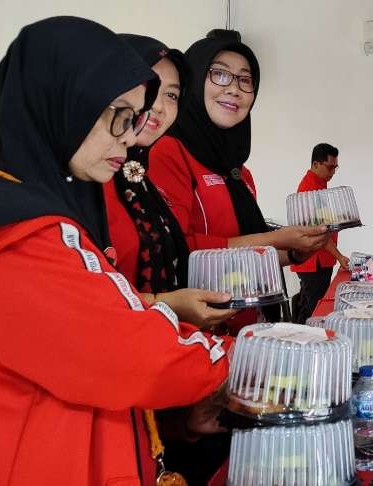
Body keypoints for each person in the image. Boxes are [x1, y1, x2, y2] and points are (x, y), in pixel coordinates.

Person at [0, 17, 228, 485]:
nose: (130, 135)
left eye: (136, 117)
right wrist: (251, 359)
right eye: (119, 114)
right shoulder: (15, 233)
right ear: (64, 98)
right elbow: (127, 353)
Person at [106, 33, 237, 485]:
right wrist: (169, 304)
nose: (157, 108)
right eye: (147, 92)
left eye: (173, 95)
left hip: (164, 375)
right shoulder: (88, 182)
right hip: (115, 384)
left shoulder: (137, 175)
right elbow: (98, 306)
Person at [149, 30, 328, 296]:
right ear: (194, 82)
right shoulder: (167, 153)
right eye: (219, 74)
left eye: (245, 79)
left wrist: (295, 252)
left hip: (246, 323)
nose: (234, 89)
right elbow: (173, 248)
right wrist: (274, 238)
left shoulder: (239, 173)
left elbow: (245, 253)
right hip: (196, 325)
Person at [290, 142, 350, 323]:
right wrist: (340, 257)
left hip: (320, 259)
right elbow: (319, 235)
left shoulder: (319, 185)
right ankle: (303, 344)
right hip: (313, 260)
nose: (332, 172)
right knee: (313, 310)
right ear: (316, 164)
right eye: (330, 167)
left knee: (308, 303)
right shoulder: (310, 189)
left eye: (335, 167)